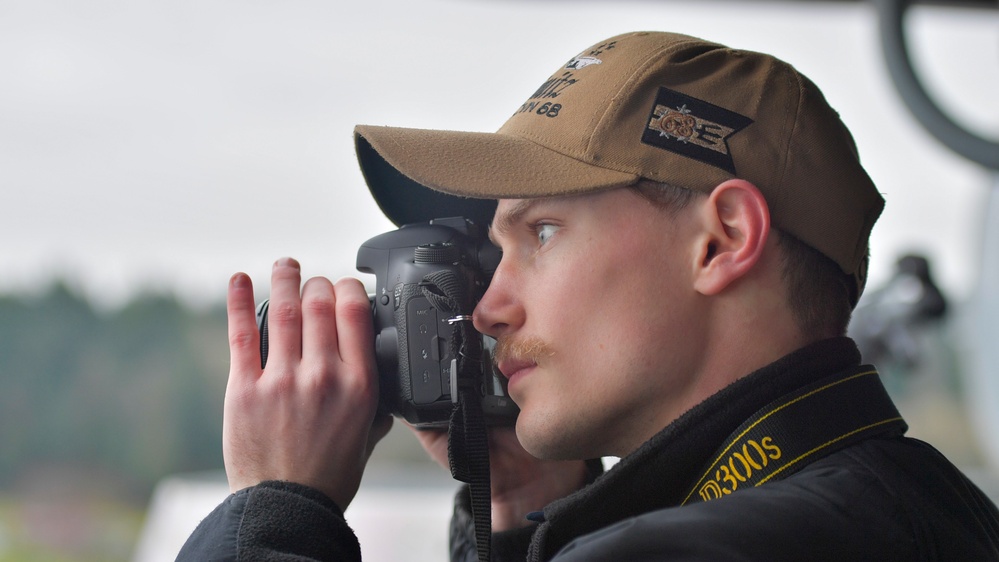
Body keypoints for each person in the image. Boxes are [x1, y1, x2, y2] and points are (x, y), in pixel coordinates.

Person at [178, 31, 999, 560]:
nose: (490, 308)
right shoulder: (918, 506)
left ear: (721, 241)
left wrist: (274, 513)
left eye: (539, 234)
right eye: (493, 250)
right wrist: (525, 503)